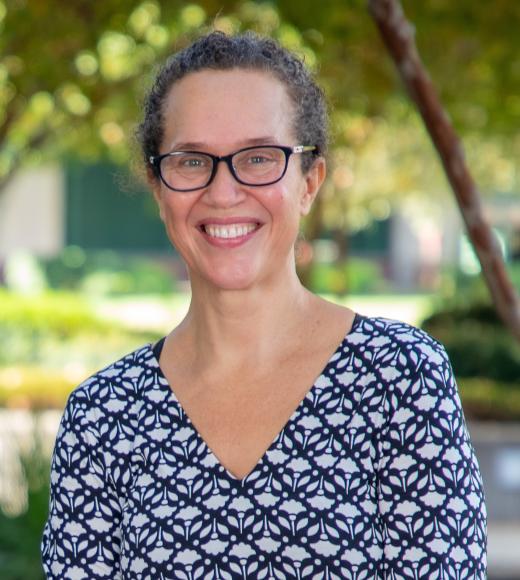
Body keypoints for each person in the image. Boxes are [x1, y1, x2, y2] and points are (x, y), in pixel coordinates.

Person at [41, 31, 486, 578]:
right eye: (191, 161)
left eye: (258, 158)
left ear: (309, 181)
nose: (223, 192)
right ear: (159, 188)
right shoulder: (103, 419)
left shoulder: (400, 381)